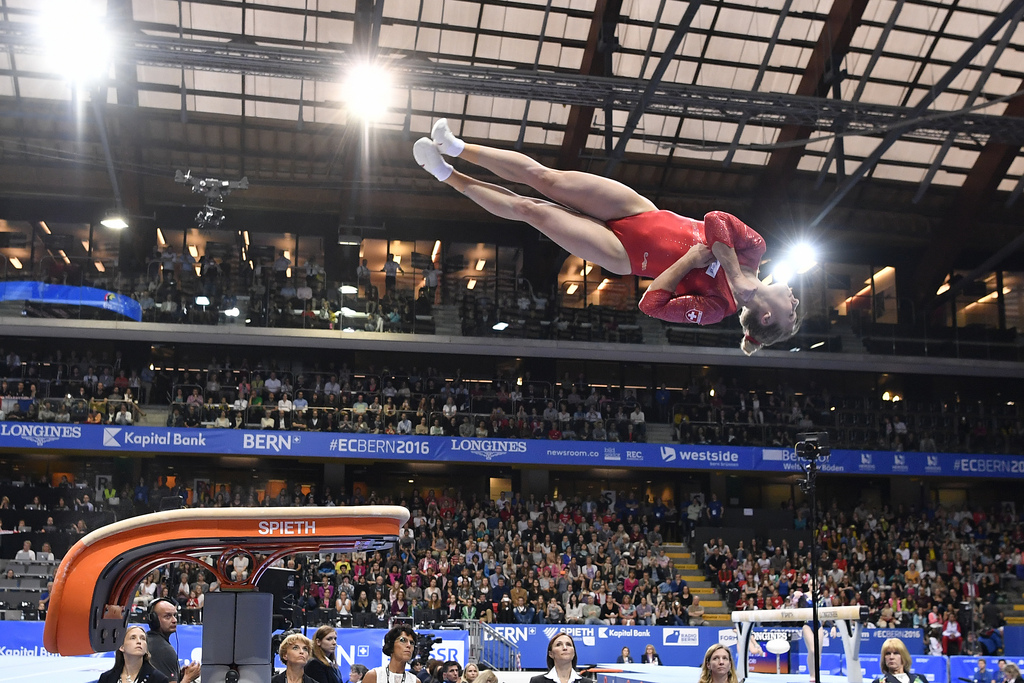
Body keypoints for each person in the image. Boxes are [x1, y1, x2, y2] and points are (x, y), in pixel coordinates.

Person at [413, 119, 800, 354]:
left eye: (791, 311)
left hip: (625, 254)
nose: (795, 299)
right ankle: (458, 147)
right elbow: (715, 218)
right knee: (546, 179)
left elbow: (651, 304)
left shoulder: (717, 309)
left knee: (530, 210)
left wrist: (689, 263)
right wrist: (731, 270)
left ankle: (446, 173)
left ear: (766, 316)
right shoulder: (754, 250)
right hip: (640, 211)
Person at [147, 598, 201, 683]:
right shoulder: (164, 650)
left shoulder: (148, 640)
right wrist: (188, 678)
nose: (174, 620)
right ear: (154, 620)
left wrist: (180, 675)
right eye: (167, 616)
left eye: (174, 615)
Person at [98, 624, 170, 683]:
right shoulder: (106, 678)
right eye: (133, 638)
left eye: (143, 638)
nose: (139, 641)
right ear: (121, 647)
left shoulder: (159, 679)